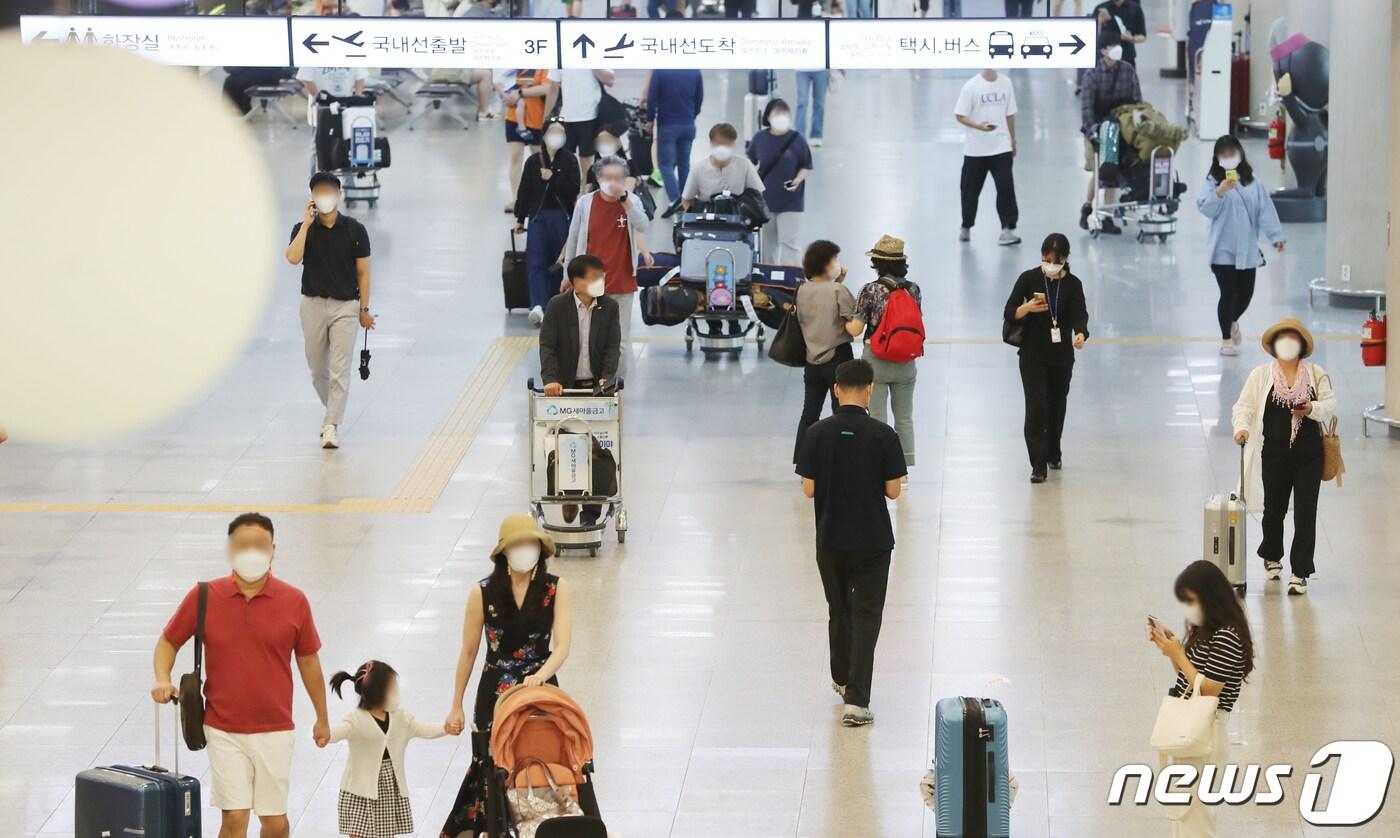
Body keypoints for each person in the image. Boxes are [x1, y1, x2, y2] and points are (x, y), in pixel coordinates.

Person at [151, 513, 329, 838]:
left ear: (273, 549)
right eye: (242, 545)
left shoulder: (294, 601)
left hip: (275, 729)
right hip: (222, 728)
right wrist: (163, 678)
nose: (252, 551)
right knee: (234, 818)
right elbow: (168, 641)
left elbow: (308, 662)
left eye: (260, 545)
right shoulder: (204, 596)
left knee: (274, 822)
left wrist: (322, 717)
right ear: (229, 550)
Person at [440, 514, 573, 838]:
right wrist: (455, 704)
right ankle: (491, 826)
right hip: (494, 693)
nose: (525, 550)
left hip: (539, 690)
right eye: (518, 544)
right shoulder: (482, 593)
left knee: (538, 754)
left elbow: (563, 645)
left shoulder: (556, 588)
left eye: (530, 544)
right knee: (491, 764)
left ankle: (538, 823)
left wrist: (540, 675)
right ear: (504, 552)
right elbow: (469, 652)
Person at [796, 359, 907, 728]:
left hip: (830, 538)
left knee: (839, 608)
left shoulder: (816, 433)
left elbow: (809, 489)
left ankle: (841, 677)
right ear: (871, 389)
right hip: (873, 541)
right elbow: (893, 492)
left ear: (837, 389)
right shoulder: (884, 435)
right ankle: (857, 702)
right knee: (867, 615)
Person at [1148, 560, 1255, 838]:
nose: (1189, 608)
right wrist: (1172, 650)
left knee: (1196, 822)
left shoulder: (1228, 636)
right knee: (1184, 821)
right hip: (1192, 731)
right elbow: (1189, 680)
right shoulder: (1208, 631)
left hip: (1206, 734)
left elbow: (1208, 691)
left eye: (1191, 600)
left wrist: (1179, 654)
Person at [1231, 319, 1336, 596]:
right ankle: (1272, 554)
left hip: (1309, 456)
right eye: (1283, 340)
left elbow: (1330, 405)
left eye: (1292, 339)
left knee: (1305, 514)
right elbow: (1244, 406)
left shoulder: (1315, 373)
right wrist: (1241, 427)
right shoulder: (1261, 376)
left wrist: (1310, 407)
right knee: (1274, 510)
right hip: (1275, 453)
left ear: (1301, 346)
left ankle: (1300, 572)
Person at [286, 172, 375, 450]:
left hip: (345, 307)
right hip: (312, 304)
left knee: (340, 370)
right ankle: (333, 408)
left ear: (339, 194)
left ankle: (331, 425)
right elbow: (293, 257)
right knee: (316, 370)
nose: (324, 196)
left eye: (329, 190)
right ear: (312, 197)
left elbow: (364, 273)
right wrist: (305, 226)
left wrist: (364, 309)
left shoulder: (355, 230)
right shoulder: (303, 228)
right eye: (318, 191)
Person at [328, 660, 450, 838]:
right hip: (359, 789)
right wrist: (325, 735)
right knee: (358, 834)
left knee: (386, 834)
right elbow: (339, 731)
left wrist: (446, 728)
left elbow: (422, 729)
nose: (396, 693)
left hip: (387, 787)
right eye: (393, 688)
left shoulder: (400, 717)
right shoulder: (356, 718)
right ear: (378, 692)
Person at [1004, 233, 1089, 483]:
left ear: (1064, 259)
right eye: (1045, 259)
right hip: (1032, 355)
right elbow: (1009, 311)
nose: (1050, 264)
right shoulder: (1029, 278)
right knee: (1036, 406)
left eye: (1055, 260)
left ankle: (1054, 450)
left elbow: (1079, 314)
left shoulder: (1072, 284)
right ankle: (1037, 463)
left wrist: (1081, 334)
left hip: (1061, 356)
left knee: (1056, 405)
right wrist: (1027, 308)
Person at [563, 157, 654, 378]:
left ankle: (613, 387)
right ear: (598, 177)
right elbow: (573, 238)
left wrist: (625, 202)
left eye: (618, 178)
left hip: (622, 280)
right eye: (608, 177)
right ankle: (587, 380)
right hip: (588, 281)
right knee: (587, 337)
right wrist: (567, 274)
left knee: (618, 341)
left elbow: (643, 224)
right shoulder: (585, 203)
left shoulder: (631, 200)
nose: (613, 182)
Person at [1195, 135, 1287, 356]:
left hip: (1247, 249)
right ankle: (1226, 339)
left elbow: (1264, 209)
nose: (1228, 158)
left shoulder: (1253, 181)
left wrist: (1276, 236)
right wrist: (1220, 192)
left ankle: (1232, 321)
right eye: (1223, 155)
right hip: (1222, 251)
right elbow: (1205, 208)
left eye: (1231, 154)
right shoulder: (1212, 182)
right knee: (1227, 293)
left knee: (1245, 294)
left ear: (1240, 154)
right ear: (1217, 158)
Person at [853, 236, 921, 473]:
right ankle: (903, 470)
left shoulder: (870, 290)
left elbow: (855, 329)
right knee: (904, 418)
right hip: (906, 359)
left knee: (877, 417)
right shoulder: (913, 289)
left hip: (876, 359)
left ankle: (879, 467)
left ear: (876, 262)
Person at [793, 240, 864, 462]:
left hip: (811, 361)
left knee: (809, 413)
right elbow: (852, 325)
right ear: (825, 264)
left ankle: (804, 462)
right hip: (838, 359)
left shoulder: (801, 290)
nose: (837, 264)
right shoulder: (838, 291)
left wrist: (838, 282)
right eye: (834, 259)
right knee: (842, 412)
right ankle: (844, 459)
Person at [515, 119, 581, 325]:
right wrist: (520, 217)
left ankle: (558, 303)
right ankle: (538, 305)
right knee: (535, 259)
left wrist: (553, 178)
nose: (556, 135)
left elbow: (573, 190)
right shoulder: (533, 162)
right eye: (552, 131)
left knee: (559, 261)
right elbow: (524, 191)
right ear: (543, 136)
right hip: (538, 217)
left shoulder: (570, 161)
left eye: (560, 131)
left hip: (562, 217)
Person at [1079, 29, 1142, 235]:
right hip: (1097, 128)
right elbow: (1087, 114)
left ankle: (1106, 216)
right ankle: (1088, 205)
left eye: (1119, 45)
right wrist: (1095, 134)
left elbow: (1137, 102)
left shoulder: (1128, 71)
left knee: (1113, 172)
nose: (1117, 49)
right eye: (1112, 46)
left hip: (1120, 126)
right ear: (1102, 51)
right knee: (1101, 170)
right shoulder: (1092, 76)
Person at [954, 68, 1020, 245]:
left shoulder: (1006, 83)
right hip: (975, 150)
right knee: (969, 191)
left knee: (1006, 188)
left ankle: (1007, 229)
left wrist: (1013, 140)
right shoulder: (971, 86)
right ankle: (966, 225)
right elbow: (960, 115)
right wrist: (978, 126)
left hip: (1001, 146)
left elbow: (1009, 114)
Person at [540, 255, 623, 396]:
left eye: (601, 277)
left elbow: (612, 347)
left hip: (598, 386)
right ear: (576, 282)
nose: (600, 282)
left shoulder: (609, 307)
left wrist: (607, 377)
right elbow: (547, 346)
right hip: (563, 386)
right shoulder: (557, 306)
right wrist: (550, 379)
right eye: (594, 279)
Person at [747, 100, 814, 266]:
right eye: (777, 113)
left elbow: (806, 165)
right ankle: (769, 279)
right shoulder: (760, 139)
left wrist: (797, 180)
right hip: (766, 199)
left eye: (785, 114)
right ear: (768, 117)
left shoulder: (797, 139)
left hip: (792, 200)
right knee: (768, 245)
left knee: (789, 243)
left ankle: (790, 280)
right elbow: (750, 161)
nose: (781, 117)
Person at [645, 69, 704, 215]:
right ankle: (686, 199)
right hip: (688, 124)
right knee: (684, 164)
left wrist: (650, 119)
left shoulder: (660, 71)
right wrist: (692, 114)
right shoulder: (695, 71)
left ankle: (675, 199)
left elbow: (652, 97)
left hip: (667, 125)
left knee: (665, 164)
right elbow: (699, 97)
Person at [544, 68, 617, 175]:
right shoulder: (559, 54)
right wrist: (547, 116)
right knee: (564, 159)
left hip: (591, 115)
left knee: (586, 160)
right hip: (567, 116)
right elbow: (553, 87)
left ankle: (585, 190)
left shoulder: (595, 54)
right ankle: (569, 190)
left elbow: (610, 81)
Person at [682, 123, 765, 210]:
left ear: (734, 144)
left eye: (727, 144)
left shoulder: (745, 165)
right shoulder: (698, 168)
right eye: (719, 144)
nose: (723, 148)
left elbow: (758, 194)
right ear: (711, 143)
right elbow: (686, 199)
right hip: (708, 219)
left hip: (737, 218)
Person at [502, 69, 552, 215]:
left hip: (537, 117)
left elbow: (547, 88)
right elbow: (503, 82)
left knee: (539, 158)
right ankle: (517, 199)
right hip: (514, 116)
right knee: (515, 156)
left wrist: (521, 93)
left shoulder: (544, 66)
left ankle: (540, 197)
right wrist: (506, 95)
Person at [1093, 0, 1148, 67]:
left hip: (1127, 56)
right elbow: (1092, 34)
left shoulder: (1135, 8)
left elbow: (1143, 36)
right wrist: (1100, 23)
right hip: (1105, 57)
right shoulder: (1101, 8)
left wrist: (1132, 38)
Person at [794, 68, 830, 148]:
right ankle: (799, 135)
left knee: (819, 103)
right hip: (802, 68)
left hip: (821, 69)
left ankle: (816, 135)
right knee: (802, 102)